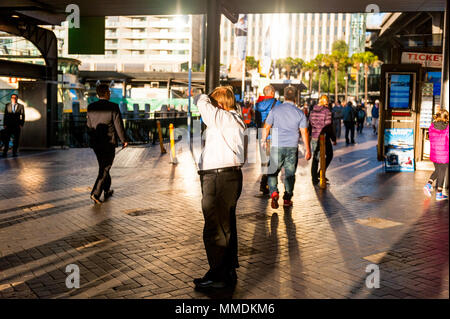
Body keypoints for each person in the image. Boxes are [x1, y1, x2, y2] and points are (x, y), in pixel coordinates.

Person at [193, 86, 246, 290]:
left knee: (215, 228)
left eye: (215, 104)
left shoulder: (226, 119)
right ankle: (226, 270)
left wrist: (200, 94)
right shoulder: (232, 120)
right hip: (225, 177)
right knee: (225, 226)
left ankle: (218, 275)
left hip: (219, 178)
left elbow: (203, 106)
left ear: (220, 105)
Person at [261, 86, 311, 208]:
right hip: (292, 147)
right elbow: (304, 132)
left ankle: (273, 191)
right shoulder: (299, 113)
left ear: (284, 96)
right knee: (289, 174)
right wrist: (307, 149)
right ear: (295, 97)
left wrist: (263, 141)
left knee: (272, 171)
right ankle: (287, 199)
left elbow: (266, 127)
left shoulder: (275, 110)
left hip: (277, 146)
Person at [86, 84, 128, 204]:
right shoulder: (113, 107)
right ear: (105, 93)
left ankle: (107, 189)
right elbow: (118, 125)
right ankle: (95, 193)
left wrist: (91, 140)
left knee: (103, 166)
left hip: (96, 144)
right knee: (105, 167)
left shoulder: (91, 107)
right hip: (109, 143)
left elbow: (88, 127)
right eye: (109, 92)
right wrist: (124, 140)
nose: (110, 93)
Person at [255, 85, 281, 194]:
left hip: (262, 135)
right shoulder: (278, 104)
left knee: (264, 161)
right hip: (273, 135)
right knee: (273, 162)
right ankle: (270, 185)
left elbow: (256, 120)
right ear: (273, 93)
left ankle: (263, 183)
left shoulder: (257, 105)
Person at [309, 95, 337, 185]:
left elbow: (309, 124)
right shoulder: (327, 111)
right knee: (329, 155)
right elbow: (329, 127)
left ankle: (314, 178)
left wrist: (310, 135)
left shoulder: (312, 111)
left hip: (314, 137)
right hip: (323, 137)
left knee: (316, 158)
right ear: (326, 102)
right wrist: (333, 138)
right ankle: (320, 173)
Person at [423, 109, 449, 201]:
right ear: (446, 117)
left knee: (438, 171)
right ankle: (439, 194)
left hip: (434, 153)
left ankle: (428, 184)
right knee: (442, 172)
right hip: (445, 154)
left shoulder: (431, 127)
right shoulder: (447, 127)